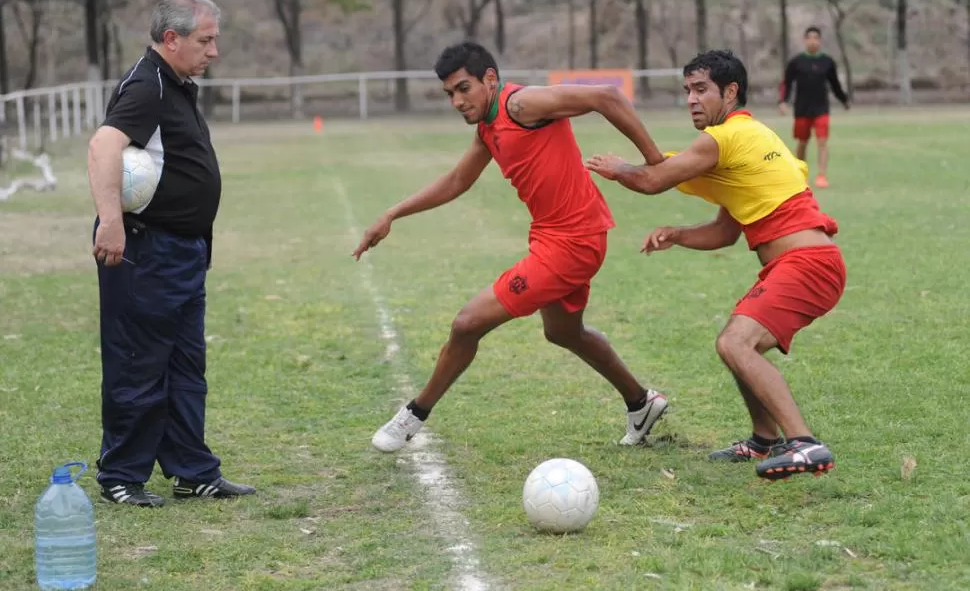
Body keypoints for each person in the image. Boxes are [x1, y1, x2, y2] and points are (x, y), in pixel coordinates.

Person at [353, 41, 669, 453]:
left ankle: (414, 414)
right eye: (450, 93)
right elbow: (456, 182)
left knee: (467, 323)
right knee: (564, 333)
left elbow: (605, 96)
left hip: (573, 243)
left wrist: (653, 160)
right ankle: (641, 402)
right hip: (555, 238)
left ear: (490, 79)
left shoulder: (521, 105)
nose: (457, 101)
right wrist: (393, 213)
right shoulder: (488, 128)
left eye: (464, 88)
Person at [586, 50, 845, 480]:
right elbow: (728, 230)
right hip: (807, 263)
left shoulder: (723, 139)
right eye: (687, 90)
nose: (690, 98)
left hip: (807, 263)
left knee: (735, 343)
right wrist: (679, 235)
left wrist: (618, 168)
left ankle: (805, 443)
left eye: (701, 89)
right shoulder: (750, 139)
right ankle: (764, 440)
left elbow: (652, 179)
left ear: (730, 92)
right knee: (737, 341)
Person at [87, 0, 255, 507]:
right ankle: (121, 475)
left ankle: (192, 470)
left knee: (185, 364)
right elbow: (103, 146)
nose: (214, 52)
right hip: (145, 249)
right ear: (171, 39)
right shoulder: (148, 84)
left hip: (182, 250)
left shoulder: (175, 83)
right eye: (205, 41)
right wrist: (112, 222)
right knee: (139, 363)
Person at [778, 26, 850, 189]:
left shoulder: (827, 62)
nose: (812, 41)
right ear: (805, 40)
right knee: (802, 142)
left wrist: (844, 100)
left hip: (821, 109)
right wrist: (783, 101)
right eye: (809, 38)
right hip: (802, 109)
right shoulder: (796, 62)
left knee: (822, 142)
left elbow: (835, 84)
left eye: (816, 38)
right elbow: (787, 84)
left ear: (820, 40)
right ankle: (800, 175)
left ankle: (821, 176)